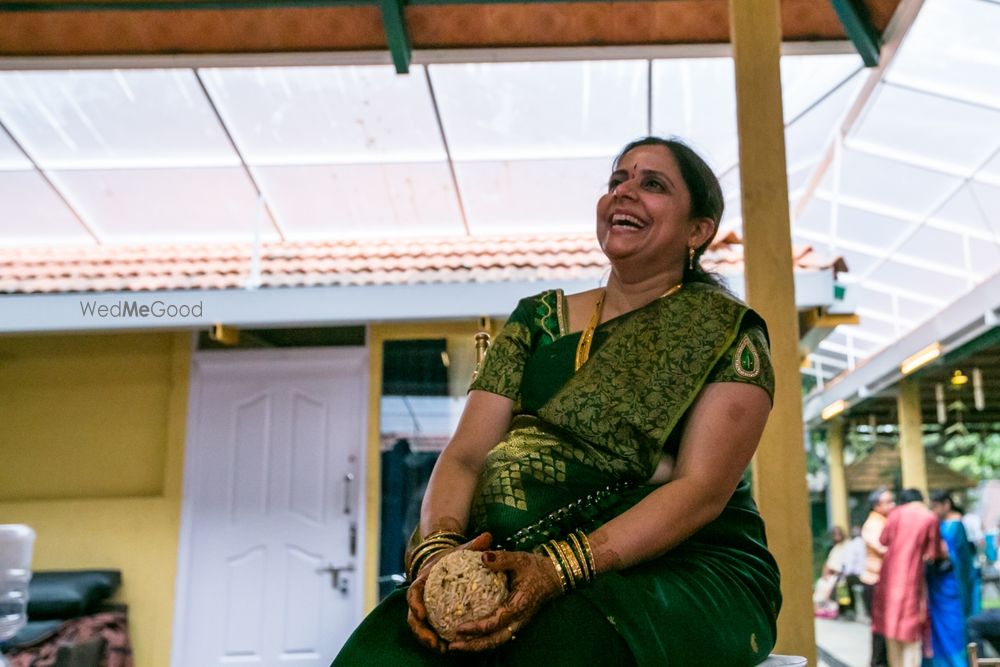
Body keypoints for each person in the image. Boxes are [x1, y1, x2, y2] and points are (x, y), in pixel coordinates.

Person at [332, 136, 782, 666]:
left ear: (698, 230)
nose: (625, 192)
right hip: (513, 554)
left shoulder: (725, 333)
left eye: (652, 184)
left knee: (546, 647)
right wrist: (438, 557)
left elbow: (701, 489)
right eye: (618, 181)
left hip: (680, 568)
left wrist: (557, 568)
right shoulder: (538, 321)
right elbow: (465, 455)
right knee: (383, 649)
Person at [873, 488, 942, 667]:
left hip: (889, 576)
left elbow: (883, 539)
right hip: (912, 577)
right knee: (911, 631)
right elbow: (934, 553)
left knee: (890, 627)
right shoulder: (930, 517)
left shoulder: (895, 514)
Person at [926, 490, 977, 667]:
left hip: (951, 584)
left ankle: (957, 662)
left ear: (946, 504)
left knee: (954, 627)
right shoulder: (938, 524)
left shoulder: (956, 525)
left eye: (936, 506)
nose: (934, 510)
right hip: (937, 584)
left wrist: (943, 555)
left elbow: (962, 560)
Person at [862, 487, 896, 666]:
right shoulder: (873, 524)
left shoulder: (884, 521)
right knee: (879, 628)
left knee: (885, 627)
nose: (893, 504)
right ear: (876, 505)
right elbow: (884, 549)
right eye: (888, 501)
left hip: (883, 582)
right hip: (875, 582)